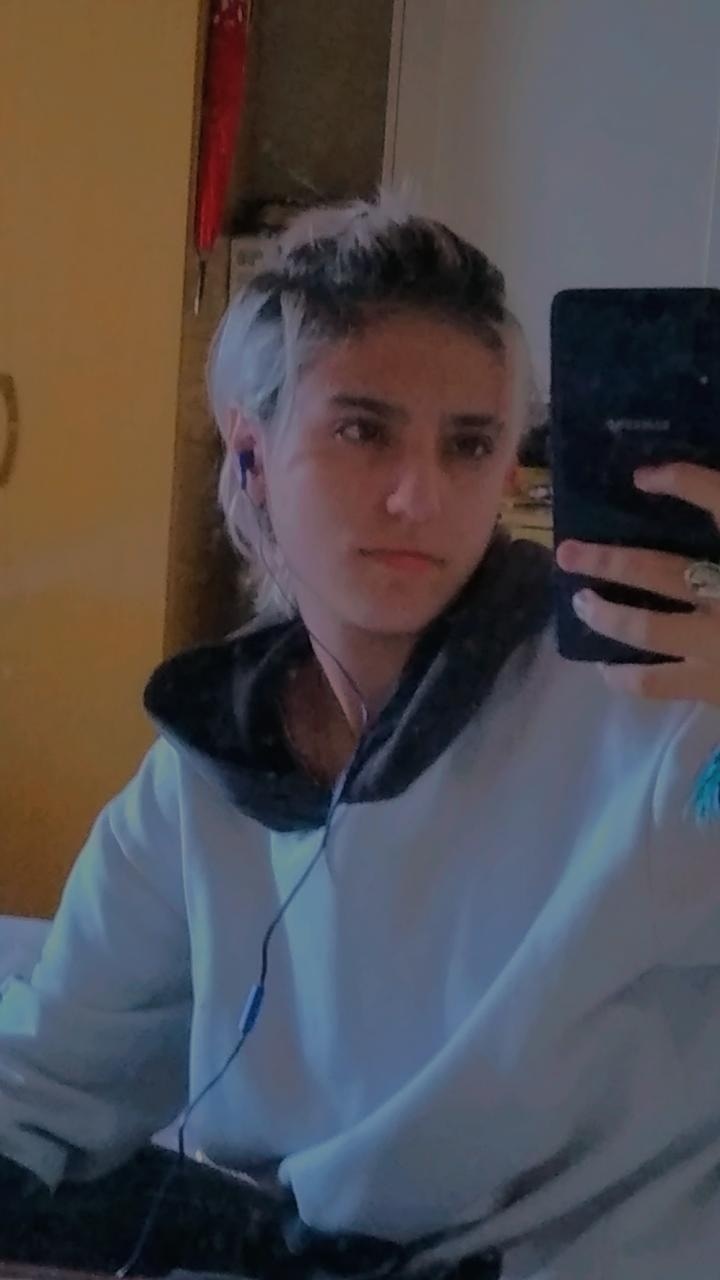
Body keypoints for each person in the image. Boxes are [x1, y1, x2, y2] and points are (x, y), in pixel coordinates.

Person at [1, 190, 720, 1280]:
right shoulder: (202, 778)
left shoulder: (649, 698)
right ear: (251, 452)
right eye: (362, 429)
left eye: (468, 443)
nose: (417, 495)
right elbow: (51, 1075)